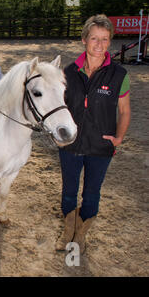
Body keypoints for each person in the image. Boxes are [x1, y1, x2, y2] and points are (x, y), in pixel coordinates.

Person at [55, 14, 131, 254]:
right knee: (68, 192)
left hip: (101, 148)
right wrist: (58, 134)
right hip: (71, 147)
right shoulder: (68, 72)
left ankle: (81, 235)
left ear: (110, 42)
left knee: (91, 194)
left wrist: (118, 138)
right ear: (84, 40)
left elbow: (125, 111)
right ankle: (68, 231)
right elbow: (57, 108)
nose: (100, 45)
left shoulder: (119, 75)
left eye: (105, 39)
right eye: (95, 39)